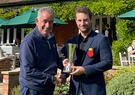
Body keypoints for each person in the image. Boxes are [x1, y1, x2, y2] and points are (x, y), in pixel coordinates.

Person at [63, 6, 113, 95]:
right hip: (75, 89)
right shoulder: (71, 41)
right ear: (76, 21)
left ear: (91, 19)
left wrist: (85, 70)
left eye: (85, 20)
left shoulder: (101, 40)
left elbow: (108, 63)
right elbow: (62, 57)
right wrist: (64, 62)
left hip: (94, 90)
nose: (82, 23)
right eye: (79, 20)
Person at [19, 7, 65, 95]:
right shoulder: (29, 41)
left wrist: (64, 64)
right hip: (33, 89)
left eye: (51, 22)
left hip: (47, 88)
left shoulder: (51, 37)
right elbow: (28, 71)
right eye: (45, 21)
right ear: (37, 21)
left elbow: (54, 58)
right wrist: (52, 79)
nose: (48, 25)